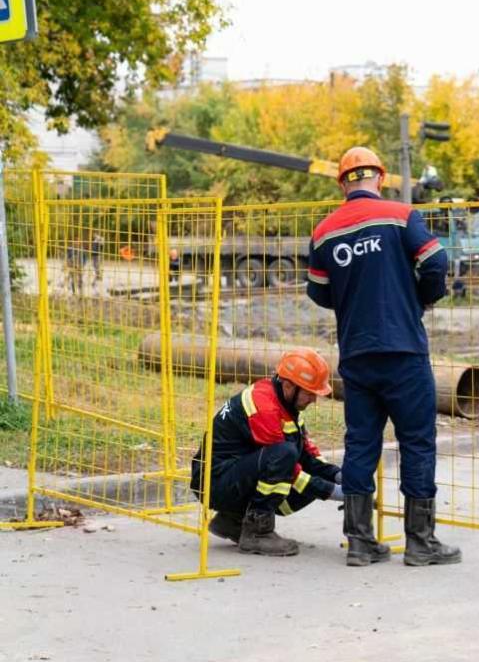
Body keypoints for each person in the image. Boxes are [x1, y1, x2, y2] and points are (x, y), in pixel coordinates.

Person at [306, 146, 461, 567]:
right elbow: (435, 261)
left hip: (356, 354)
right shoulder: (400, 214)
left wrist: (352, 300)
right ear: (379, 177)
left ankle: (359, 543)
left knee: (360, 444)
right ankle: (420, 543)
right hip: (404, 351)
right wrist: (420, 299)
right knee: (416, 443)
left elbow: (318, 291)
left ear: (342, 183)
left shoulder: (324, 231)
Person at [190, 348, 343, 557]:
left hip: (229, 475)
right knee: (285, 457)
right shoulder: (264, 406)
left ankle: (232, 520)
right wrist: (335, 493)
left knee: (291, 456)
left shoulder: (285, 403)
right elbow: (288, 469)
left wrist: (338, 475)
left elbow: (306, 453)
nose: (313, 400)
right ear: (289, 386)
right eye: (309, 393)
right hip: (212, 482)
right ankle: (257, 533)